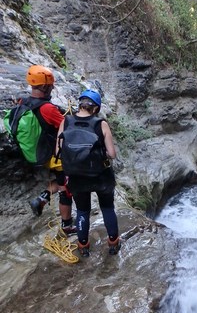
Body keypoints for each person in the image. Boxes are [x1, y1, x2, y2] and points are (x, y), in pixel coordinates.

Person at [7, 65, 76, 234]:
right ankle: (67, 226)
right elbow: (68, 127)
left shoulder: (23, 101)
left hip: (39, 154)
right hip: (55, 156)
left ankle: (41, 200)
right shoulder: (47, 109)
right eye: (51, 85)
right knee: (67, 189)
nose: (52, 87)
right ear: (45, 86)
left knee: (61, 181)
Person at [56, 89, 120, 257]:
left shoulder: (66, 121)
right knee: (107, 208)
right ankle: (113, 243)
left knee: (83, 210)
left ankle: (83, 246)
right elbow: (112, 154)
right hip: (101, 176)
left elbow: (58, 150)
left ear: (80, 104)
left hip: (76, 177)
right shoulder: (101, 124)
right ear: (96, 108)